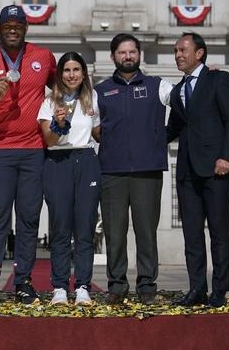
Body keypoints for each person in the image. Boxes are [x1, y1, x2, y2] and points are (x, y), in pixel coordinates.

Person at [0, 4, 56, 304]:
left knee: (29, 218)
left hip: (34, 151)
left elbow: (62, 90)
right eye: (8, 25)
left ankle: (23, 281)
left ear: (26, 28)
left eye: (19, 24)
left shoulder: (43, 57)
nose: (13, 28)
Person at [94, 33, 173, 305]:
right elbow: (91, 126)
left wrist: (163, 136)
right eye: (122, 52)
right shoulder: (101, 90)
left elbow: (188, 101)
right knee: (114, 233)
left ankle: (147, 285)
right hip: (111, 172)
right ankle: (116, 286)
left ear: (139, 54)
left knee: (146, 231)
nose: (127, 57)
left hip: (147, 171)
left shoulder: (158, 86)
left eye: (132, 52)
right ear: (113, 56)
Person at [167, 31, 229, 308]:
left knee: (219, 233)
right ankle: (197, 288)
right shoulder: (177, 91)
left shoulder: (218, 79)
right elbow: (172, 128)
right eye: (175, 51)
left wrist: (226, 157)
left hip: (216, 169)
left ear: (199, 53)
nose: (178, 55)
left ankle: (219, 291)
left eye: (182, 50)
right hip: (186, 172)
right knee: (192, 234)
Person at [37, 52, 101, 306]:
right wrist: (56, 122)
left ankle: (83, 286)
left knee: (85, 228)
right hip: (58, 161)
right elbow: (49, 140)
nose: (72, 75)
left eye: (76, 69)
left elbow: (98, 133)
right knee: (60, 228)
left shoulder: (92, 98)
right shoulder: (49, 101)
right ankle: (60, 287)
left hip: (86, 160)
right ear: (59, 74)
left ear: (83, 73)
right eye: (66, 70)